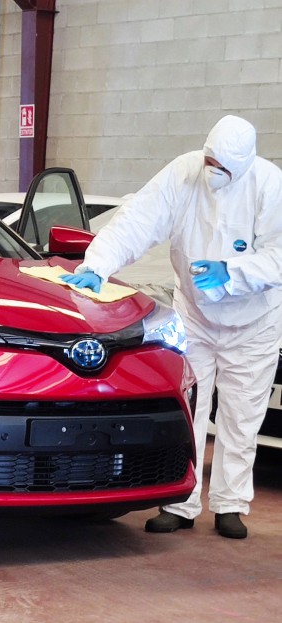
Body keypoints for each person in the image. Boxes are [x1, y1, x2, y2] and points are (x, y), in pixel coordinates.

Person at [61, 115, 282, 539]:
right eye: (210, 160)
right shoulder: (183, 174)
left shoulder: (269, 186)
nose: (213, 171)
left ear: (243, 165)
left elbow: (278, 257)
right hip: (195, 318)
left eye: (223, 167)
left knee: (241, 420)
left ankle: (230, 505)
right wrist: (98, 265)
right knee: (188, 411)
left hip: (254, 326)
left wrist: (232, 272)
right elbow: (137, 220)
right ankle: (180, 503)